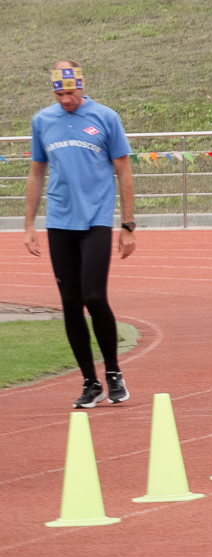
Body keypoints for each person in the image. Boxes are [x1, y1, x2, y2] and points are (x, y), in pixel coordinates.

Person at [23, 62, 137, 410]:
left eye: (71, 92)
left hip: (96, 219)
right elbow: (36, 173)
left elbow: (124, 171)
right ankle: (91, 381)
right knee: (70, 302)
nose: (67, 100)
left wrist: (128, 226)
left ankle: (114, 372)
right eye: (60, 94)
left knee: (93, 295)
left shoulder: (105, 117)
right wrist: (28, 225)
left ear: (82, 86)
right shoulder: (43, 121)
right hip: (59, 221)